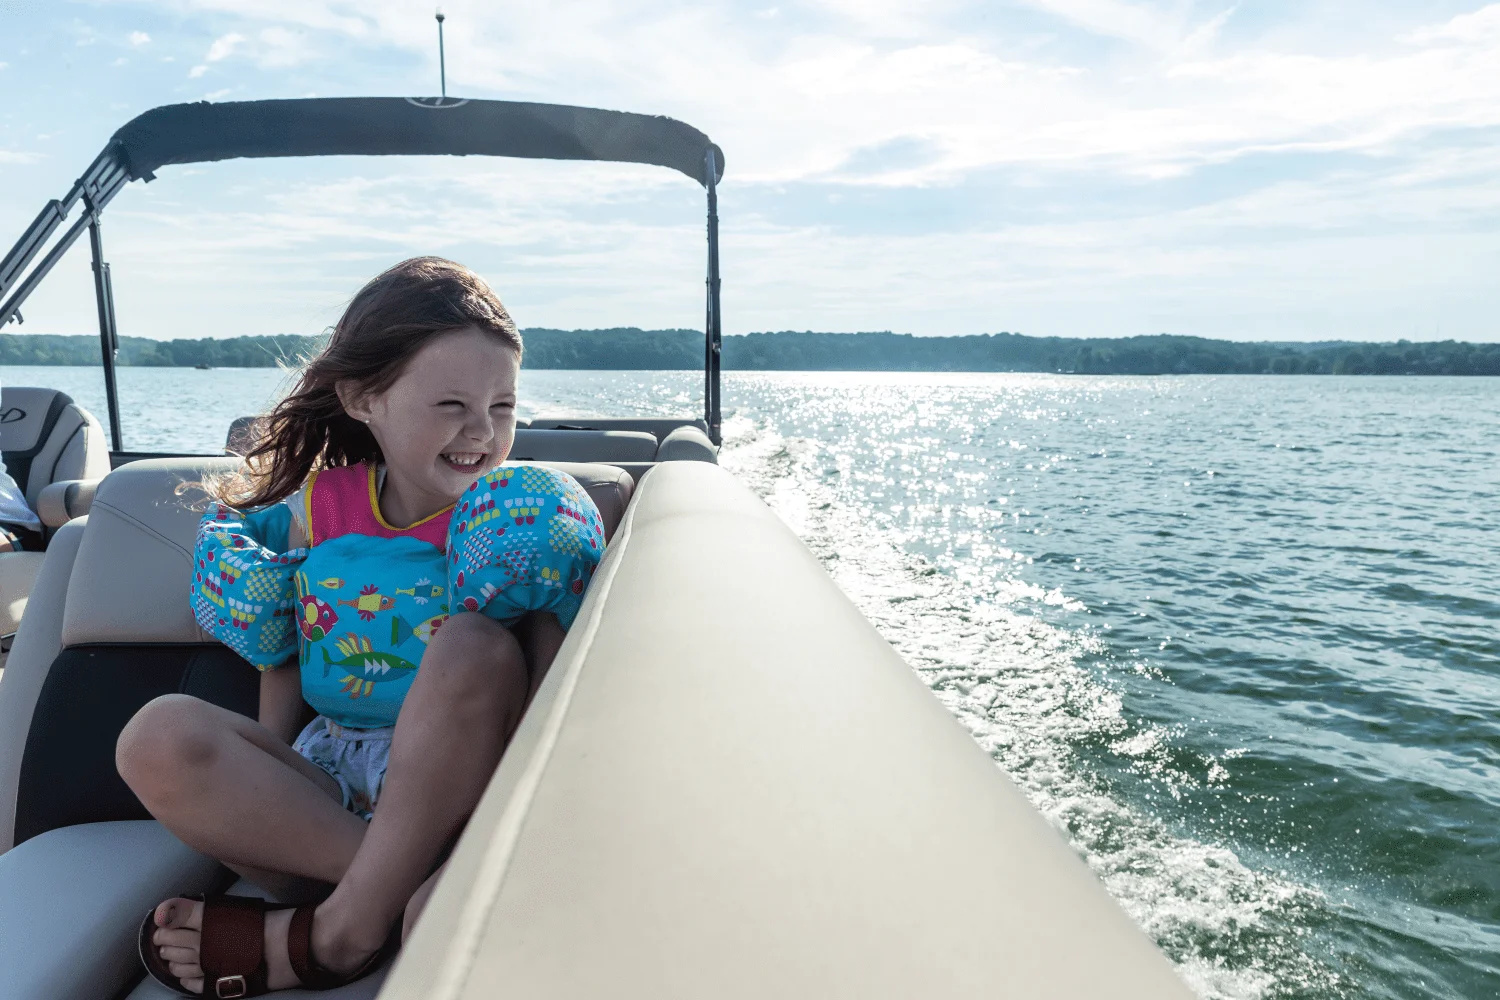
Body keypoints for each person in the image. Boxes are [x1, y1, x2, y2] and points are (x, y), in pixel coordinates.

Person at [116, 257, 607, 997]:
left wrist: (510, 826)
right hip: (326, 797)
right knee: (156, 736)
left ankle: (337, 935)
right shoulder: (318, 509)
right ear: (362, 398)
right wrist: (264, 776)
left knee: (470, 644)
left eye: (503, 406)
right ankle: (392, 896)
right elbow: (284, 647)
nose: (482, 431)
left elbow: (544, 696)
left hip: (460, 802)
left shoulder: (519, 525)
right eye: (451, 404)